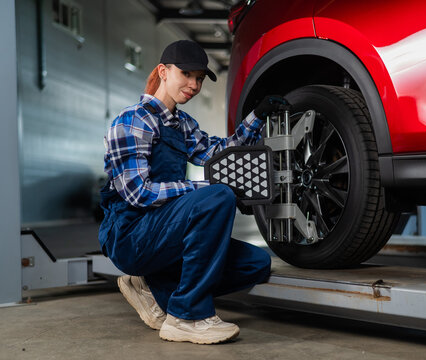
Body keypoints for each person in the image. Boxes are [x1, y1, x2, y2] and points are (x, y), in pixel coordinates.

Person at [98, 40, 289, 344]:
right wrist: (210, 189)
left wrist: (257, 115)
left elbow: (220, 153)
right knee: (217, 196)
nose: (194, 84)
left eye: (199, 78)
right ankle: (187, 315)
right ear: (163, 71)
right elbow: (138, 193)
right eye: (186, 74)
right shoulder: (132, 120)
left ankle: (154, 286)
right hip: (131, 233)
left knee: (256, 264)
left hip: (165, 231)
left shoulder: (182, 124)